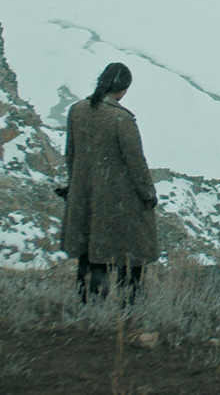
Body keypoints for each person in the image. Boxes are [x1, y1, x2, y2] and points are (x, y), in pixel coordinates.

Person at [60, 62, 158, 304]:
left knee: (91, 251)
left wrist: (76, 186)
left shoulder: (78, 110)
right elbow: (136, 161)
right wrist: (148, 195)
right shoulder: (121, 119)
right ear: (124, 89)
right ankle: (128, 305)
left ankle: (90, 303)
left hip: (85, 195)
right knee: (129, 253)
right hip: (119, 199)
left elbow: (70, 153)